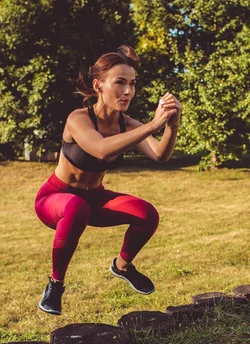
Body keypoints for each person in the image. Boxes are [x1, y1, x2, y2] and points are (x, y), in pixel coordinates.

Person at [34, 45, 182, 315]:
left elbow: (160, 155)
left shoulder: (127, 125)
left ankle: (122, 266)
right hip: (56, 199)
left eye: (132, 84)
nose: (128, 91)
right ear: (98, 85)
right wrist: (153, 124)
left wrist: (172, 125)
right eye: (120, 83)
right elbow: (101, 148)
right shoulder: (78, 119)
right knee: (75, 206)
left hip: (94, 198)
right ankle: (55, 285)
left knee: (147, 213)